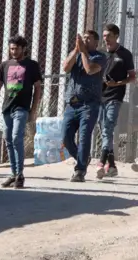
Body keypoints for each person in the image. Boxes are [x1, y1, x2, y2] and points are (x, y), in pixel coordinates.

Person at [0, 35, 43, 189]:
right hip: (7, 108)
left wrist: (33, 109)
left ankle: (20, 174)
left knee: (17, 137)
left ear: (24, 49)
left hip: (22, 108)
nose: (13, 52)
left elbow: (37, 87)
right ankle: (13, 173)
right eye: (11, 49)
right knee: (8, 140)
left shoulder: (31, 65)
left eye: (16, 48)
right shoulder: (5, 65)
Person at [62, 30, 107, 182]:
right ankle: (82, 158)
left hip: (89, 104)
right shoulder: (76, 53)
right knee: (65, 137)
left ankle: (80, 170)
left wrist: (82, 52)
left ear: (96, 43)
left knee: (84, 136)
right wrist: (76, 50)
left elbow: (89, 69)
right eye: (84, 38)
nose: (85, 41)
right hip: (72, 103)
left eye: (89, 39)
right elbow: (66, 67)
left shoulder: (100, 57)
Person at [96, 24, 136, 179]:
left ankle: (100, 163)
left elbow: (132, 77)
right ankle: (111, 165)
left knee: (108, 127)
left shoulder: (125, 54)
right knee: (104, 130)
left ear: (116, 36)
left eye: (109, 36)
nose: (106, 39)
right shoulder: (100, 53)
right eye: (104, 36)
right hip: (99, 97)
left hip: (115, 97)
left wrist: (118, 83)